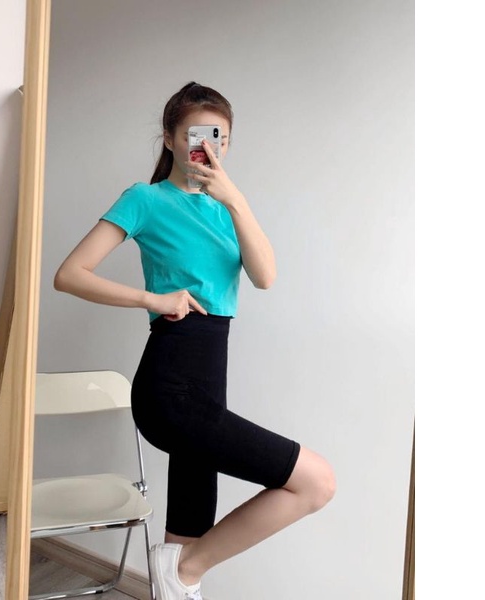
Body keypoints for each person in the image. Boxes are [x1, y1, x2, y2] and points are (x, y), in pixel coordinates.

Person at [54, 81, 336, 600]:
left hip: (208, 384)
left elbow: (265, 276)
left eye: (218, 137)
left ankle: (178, 572)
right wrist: (153, 299)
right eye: (194, 135)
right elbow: (69, 274)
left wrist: (235, 199)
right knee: (316, 482)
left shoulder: (228, 209)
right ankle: (177, 568)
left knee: (190, 529)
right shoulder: (145, 199)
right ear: (169, 138)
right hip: (171, 384)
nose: (206, 146)